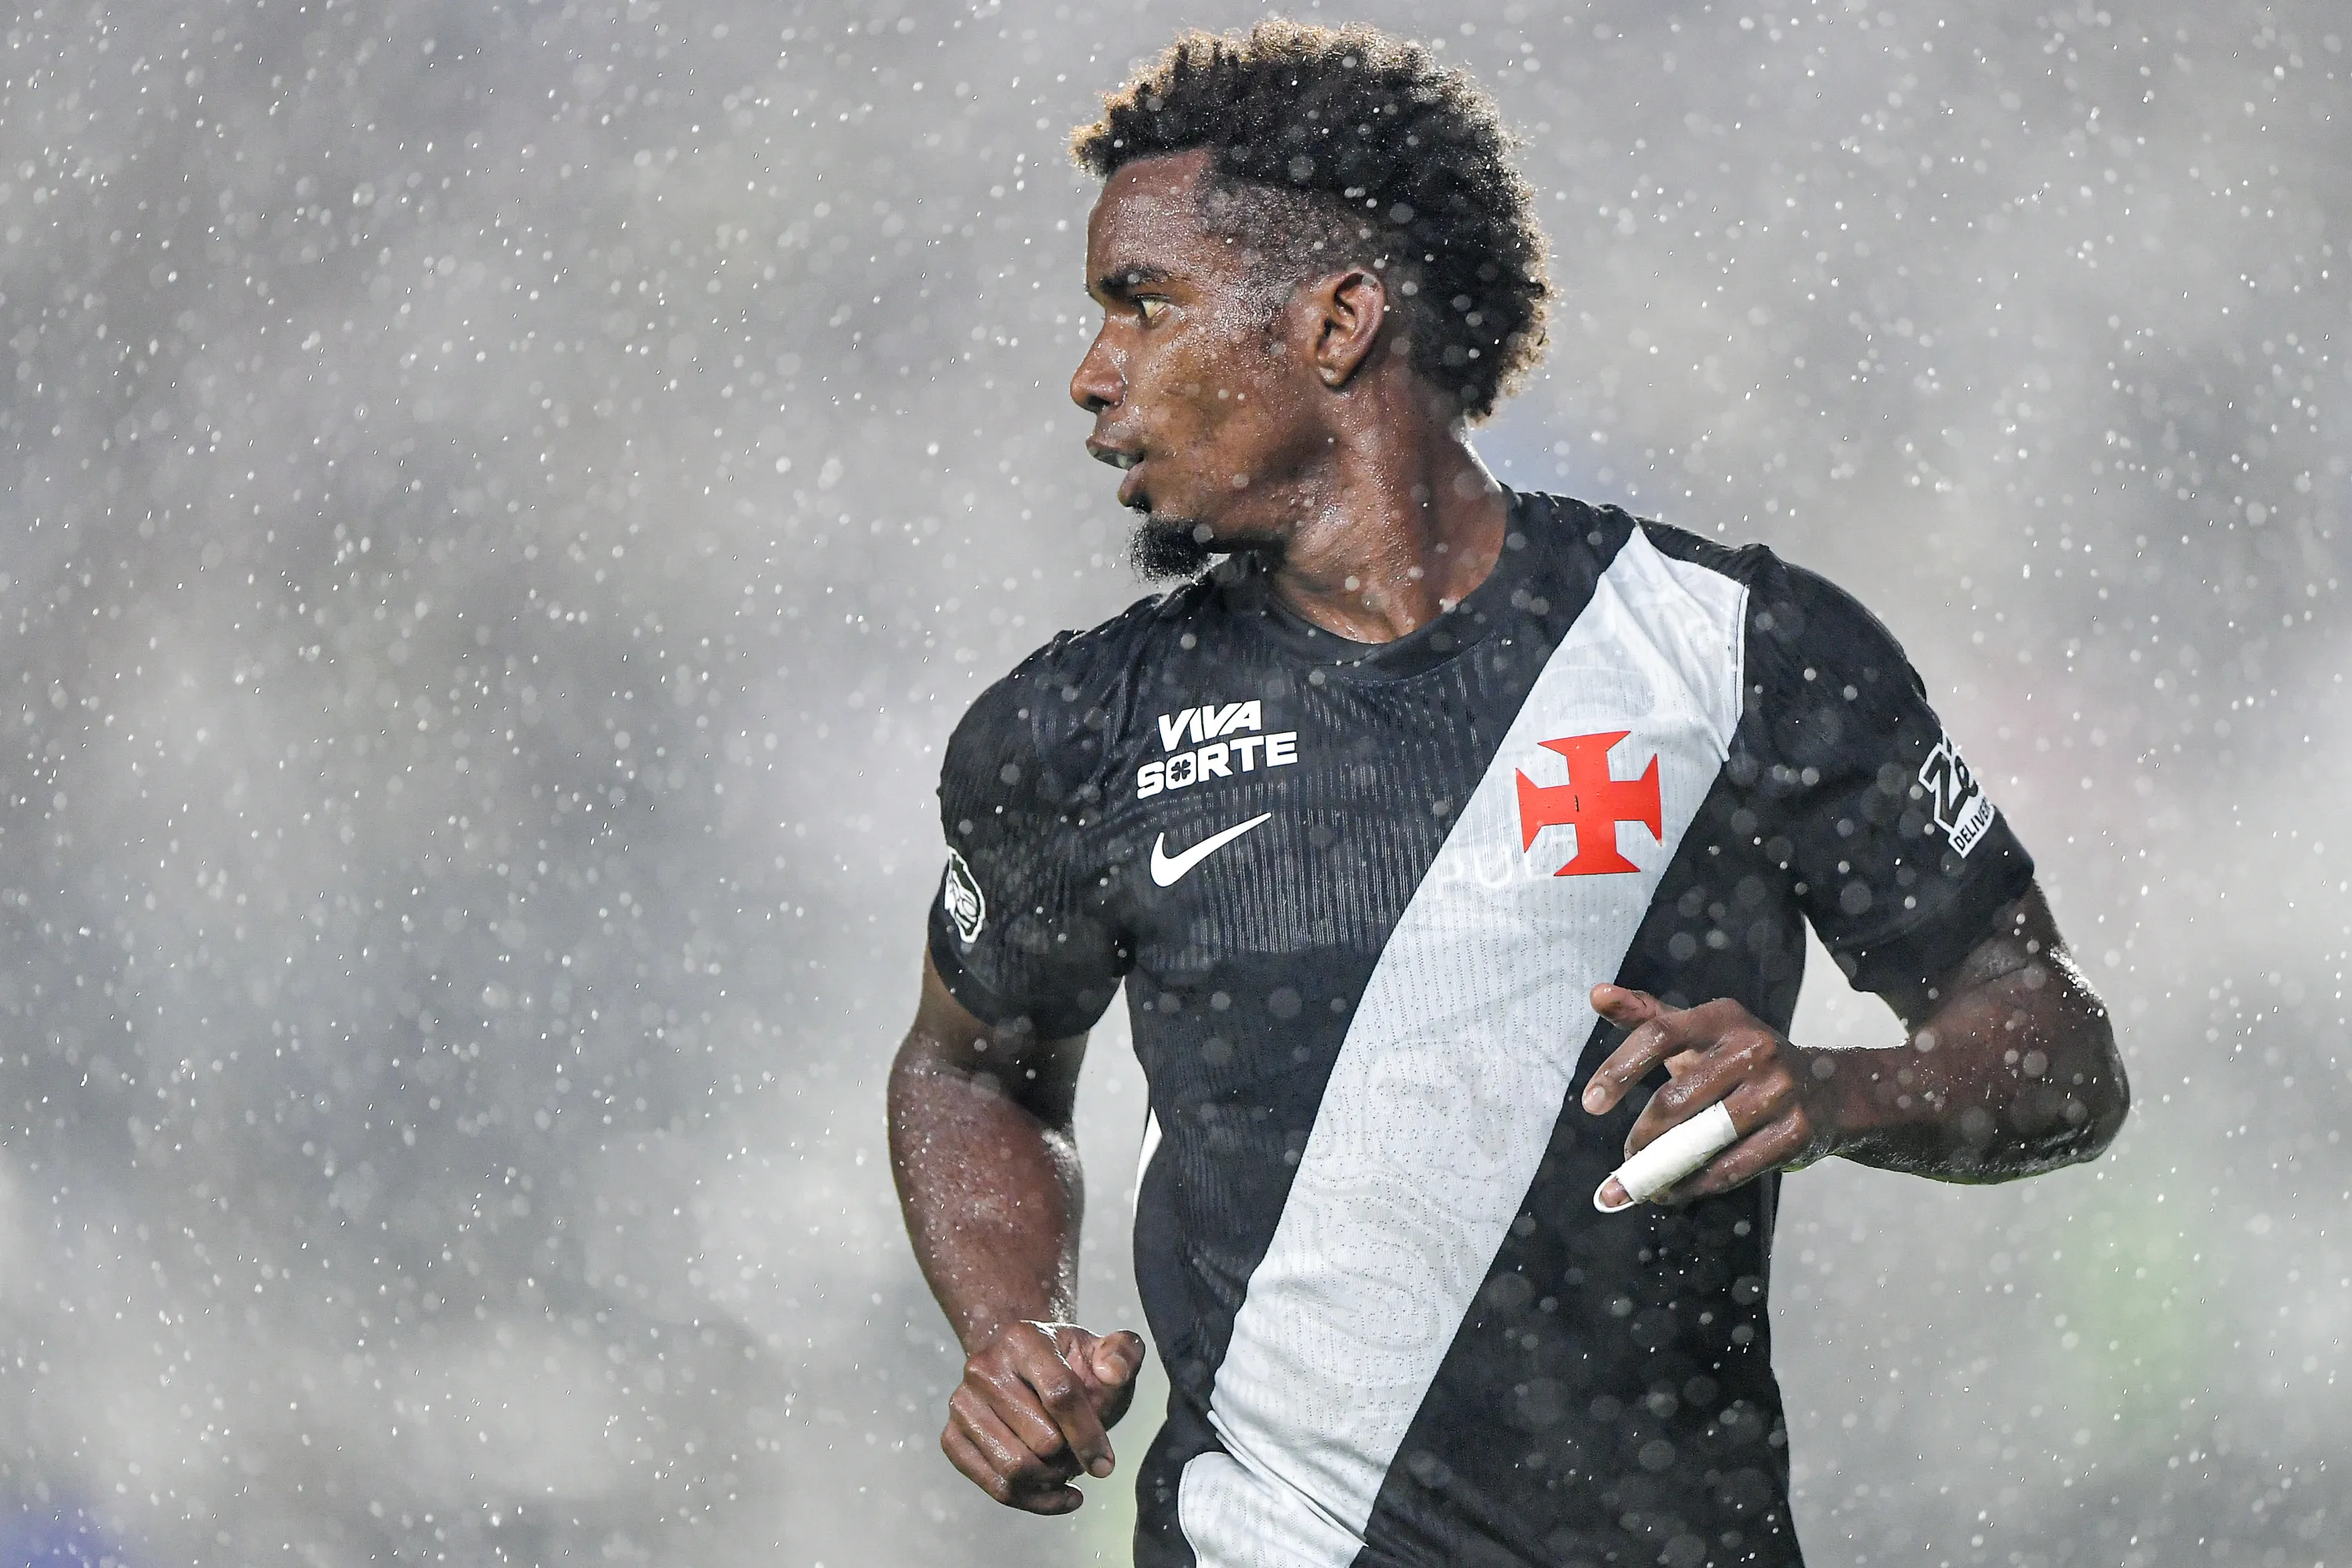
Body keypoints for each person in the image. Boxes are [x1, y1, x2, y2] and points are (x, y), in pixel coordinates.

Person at [886, 21, 2128, 1568]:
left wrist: (1836, 1092)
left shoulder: (1735, 654)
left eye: (1143, 306)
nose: (1093, 376)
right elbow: (971, 1071)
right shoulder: (1075, 732)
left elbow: (2055, 1046)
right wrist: (1012, 1326)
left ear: (1339, 322)